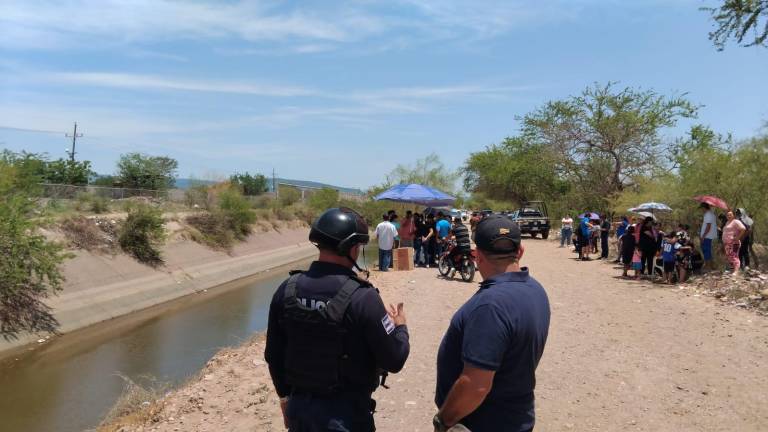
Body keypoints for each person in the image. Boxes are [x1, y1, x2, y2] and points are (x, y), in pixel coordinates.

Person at [264, 208, 410, 432]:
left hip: (299, 411)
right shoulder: (364, 297)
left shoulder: (287, 289)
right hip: (347, 416)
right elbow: (394, 359)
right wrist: (400, 327)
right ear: (351, 248)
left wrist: (285, 400)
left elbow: (273, 354)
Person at [433, 215, 550, 432]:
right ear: (521, 251)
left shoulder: (491, 306)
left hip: (483, 422)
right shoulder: (536, 290)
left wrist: (444, 420)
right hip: (515, 415)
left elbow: (476, 386)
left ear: (477, 256)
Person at [699, 203, 717, 271]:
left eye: (701, 208)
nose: (701, 210)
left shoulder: (708, 214)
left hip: (708, 236)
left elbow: (708, 226)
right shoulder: (711, 214)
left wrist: (703, 236)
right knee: (707, 251)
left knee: (707, 251)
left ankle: (708, 267)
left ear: (704, 207)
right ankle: (710, 266)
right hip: (709, 236)